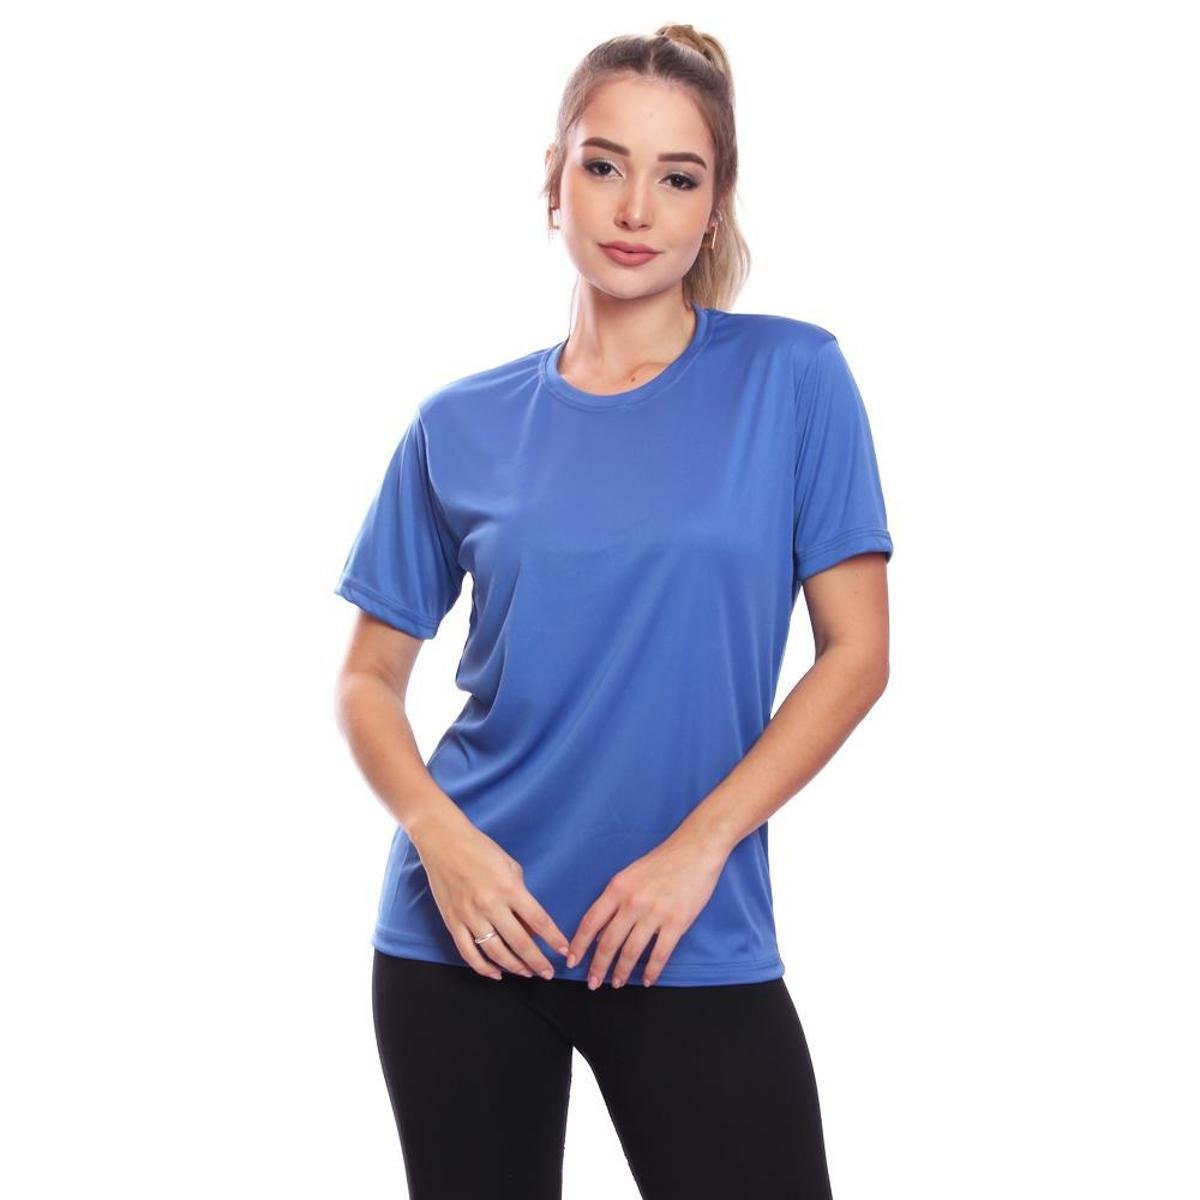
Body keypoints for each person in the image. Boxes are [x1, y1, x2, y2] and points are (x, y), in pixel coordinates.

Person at [333, 24, 894, 1200]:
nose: (636, 207)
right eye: (603, 165)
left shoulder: (793, 380)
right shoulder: (458, 424)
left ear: (715, 206)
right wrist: (441, 838)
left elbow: (857, 655)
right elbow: (367, 678)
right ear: (555, 181)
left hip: (687, 930)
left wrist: (699, 850)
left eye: (677, 177)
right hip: (465, 936)